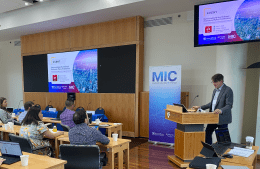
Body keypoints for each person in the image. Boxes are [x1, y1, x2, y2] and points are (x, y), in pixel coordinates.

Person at [193, 74, 233, 145]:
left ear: (221, 81)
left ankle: (222, 153)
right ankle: (210, 150)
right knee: (207, 132)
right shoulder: (215, 90)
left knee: (222, 139)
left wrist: (220, 110)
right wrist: (200, 107)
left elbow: (229, 105)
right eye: (213, 82)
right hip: (213, 117)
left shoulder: (228, 90)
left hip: (222, 118)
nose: (214, 84)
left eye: (215, 82)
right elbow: (211, 104)